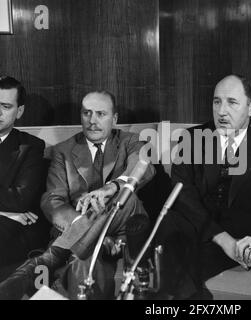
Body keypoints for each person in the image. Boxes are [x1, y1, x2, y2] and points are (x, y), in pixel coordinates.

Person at [156, 74, 251, 299]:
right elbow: (182, 197)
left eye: (232, 102)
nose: (221, 111)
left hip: (244, 241)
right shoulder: (191, 139)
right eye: (216, 101)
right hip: (201, 235)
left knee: (171, 263)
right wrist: (222, 239)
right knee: (169, 226)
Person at [0, 90, 155, 300]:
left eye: (101, 114)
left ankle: (49, 258)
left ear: (115, 118)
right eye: (86, 113)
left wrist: (112, 187)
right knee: (82, 260)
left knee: (127, 197)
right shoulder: (64, 150)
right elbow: (53, 200)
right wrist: (80, 222)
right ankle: (83, 242)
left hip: (126, 228)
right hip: (85, 236)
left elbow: (144, 167)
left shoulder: (132, 141)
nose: (92, 121)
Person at [0, 76, 49, 273]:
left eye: (5, 106)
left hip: (13, 233)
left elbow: (20, 201)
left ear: (19, 111)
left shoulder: (30, 146)